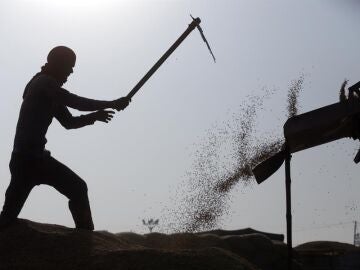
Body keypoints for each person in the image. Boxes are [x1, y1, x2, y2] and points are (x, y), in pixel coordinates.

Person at [0, 46, 130, 230]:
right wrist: (112, 103)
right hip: (27, 161)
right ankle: (85, 241)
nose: (71, 72)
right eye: (69, 67)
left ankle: (85, 239)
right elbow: (75, 101)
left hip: (37, 159)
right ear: (57, 64)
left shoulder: (49, 91)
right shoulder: (44, 83)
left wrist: (95, 116)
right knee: (8, 217)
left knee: (78, 189)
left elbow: (69, 122)